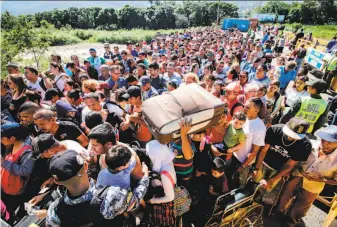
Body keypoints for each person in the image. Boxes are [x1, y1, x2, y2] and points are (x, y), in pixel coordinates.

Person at [44, 150, 149, 226]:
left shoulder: (54, 211)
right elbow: (135, 200)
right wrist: (145, 178)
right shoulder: (111, 196)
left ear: (57, 181)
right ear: (85, 166)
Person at [276, 125, 337, 227]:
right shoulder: (310, 145)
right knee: (286, 194)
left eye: (329, 142)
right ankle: (278, 213)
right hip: (298, 174)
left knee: (302, 205)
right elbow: (295, 159)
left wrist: (322, 179)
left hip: (316, 184)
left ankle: (290, 222)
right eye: (323, 140)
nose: (325, 144)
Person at [253, 117, 312, 191]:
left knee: (264, 190)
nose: (290, 137)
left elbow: (289, 165)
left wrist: (271, 180)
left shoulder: (305, 145)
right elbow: (263, 150)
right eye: (290, 134)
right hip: (263, 162)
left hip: (279, 169)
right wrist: (256, 167)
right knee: (253, 184)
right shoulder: (274, 130)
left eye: (295, 136)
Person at [1, 123, 35, 214]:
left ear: (12, 138)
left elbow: (25, 171)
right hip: (5, 184)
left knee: (8, 210)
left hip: (15, 190)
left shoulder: (27, 151)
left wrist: (3, 162)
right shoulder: (11, 144)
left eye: (2, 138)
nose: (0, 140)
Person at [145, 140, 177, 227]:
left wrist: (153, 201)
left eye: (150, 154)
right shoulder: (166, 161)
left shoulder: (164, 175)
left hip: (163, 205)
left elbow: (170, 197)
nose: (148, 156)